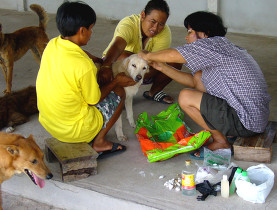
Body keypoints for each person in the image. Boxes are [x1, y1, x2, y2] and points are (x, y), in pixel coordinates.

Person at [138, 11, 271, 159]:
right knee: (199, 77)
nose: (186, 37)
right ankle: (228, 131)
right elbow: (195, 81)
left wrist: (147, 55)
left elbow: (177, 54)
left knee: (185, 97)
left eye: (190, 32)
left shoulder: (213, 46)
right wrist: (161, 67)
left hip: (247, 122)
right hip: (254, 118)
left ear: (205, 34)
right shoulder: (223, 48)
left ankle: (221, 141)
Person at [36, 1, 136, 157]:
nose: (91, 32)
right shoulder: (83, 66)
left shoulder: (52, 44)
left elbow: (80, 53)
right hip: (74, 131)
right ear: (82, 31)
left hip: (50, 124)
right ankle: (100, 142)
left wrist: (98, 60)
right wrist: (116, 81)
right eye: (91, 29)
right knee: (119, 92)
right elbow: (93, 100)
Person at [98, 0, 181, 104]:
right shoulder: (129, 23)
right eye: (153, 21)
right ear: (143, 15)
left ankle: (153, 92)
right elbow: (118, 47)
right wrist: (105, 67)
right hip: (117, 65)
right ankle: (117, 93)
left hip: (145, 71)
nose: (155, 28)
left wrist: (138, 74)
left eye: (161, 24)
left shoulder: (165, 32)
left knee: (174, 61)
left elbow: (156, 62)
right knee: (124, 56)